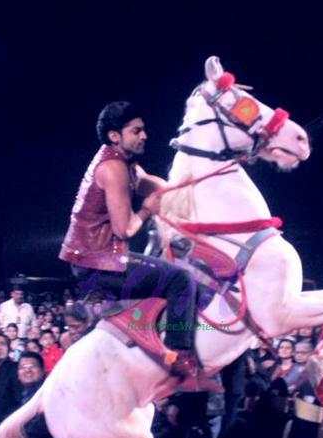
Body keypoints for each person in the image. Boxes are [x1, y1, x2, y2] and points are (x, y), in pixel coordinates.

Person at [59, 100, 219, 392]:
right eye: (136, 130)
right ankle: (178, 360)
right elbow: (126, 228)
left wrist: (191, 188)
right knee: (181, 279)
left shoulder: (125, 164)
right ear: (114, 136)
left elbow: (150, 183)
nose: (144, 135)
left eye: (143, 129)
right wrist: (146, 209)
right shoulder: (113, 168)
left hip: (99, 256)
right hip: (98, 263)